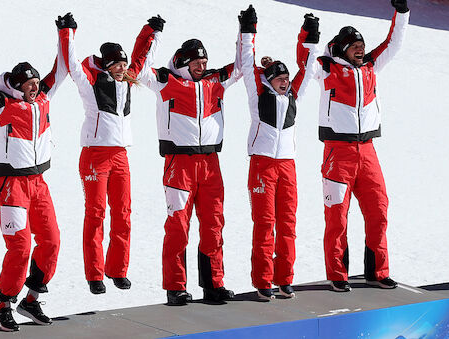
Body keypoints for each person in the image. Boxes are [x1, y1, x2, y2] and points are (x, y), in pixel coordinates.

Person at [303, 0, 409, 292]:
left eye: (361, 45)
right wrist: (308, 36)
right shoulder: (326, 69)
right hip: (338, 152)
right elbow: (305, 63)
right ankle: (338, 274)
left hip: (368, 151)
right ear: (341, 49)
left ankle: (378, 271)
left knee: (379, 209)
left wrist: (401, 13)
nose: (360, 50)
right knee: (336, 216)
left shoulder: (372, 65)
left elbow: (393, 43)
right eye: (354, 47)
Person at [0, 27, 68, 330]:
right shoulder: (2, 103)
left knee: (51, 241)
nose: (35, 88)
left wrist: (66, 33)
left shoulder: (43, 99)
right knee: (20, 247)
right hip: (10, 185)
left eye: (37, 83)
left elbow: (60, 70)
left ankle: (32, 299)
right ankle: (4, 304)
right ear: (17, 85)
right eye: (30, 84)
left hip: (38, 183)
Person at [57, 13, 164, 294]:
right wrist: (68, 31)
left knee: (123, 213)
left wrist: (152, 31)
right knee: (96, 213)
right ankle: (94, 274)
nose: (121, 68)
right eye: (116, 64)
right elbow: (71, 64)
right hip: (95, 156)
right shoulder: (90, 82)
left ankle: (117, 269)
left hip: (120, 156)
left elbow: (143, 58)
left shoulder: (128, 80)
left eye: (123, 63)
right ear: (106, 65)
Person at [137, 20, 241, 306]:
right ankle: (175, 287)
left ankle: (213, 284)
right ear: (184, 61)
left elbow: (243, 66)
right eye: (197, 61)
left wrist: (246, 30)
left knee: (214, 224)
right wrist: (151, 33)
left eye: (204, 60)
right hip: (178, 164)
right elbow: (140, 69)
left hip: (210, 163)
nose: (202, 64)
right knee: (178, 226)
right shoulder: (164, 81)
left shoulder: (214, 81)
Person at [237, 6, 320, 301]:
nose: (284, 81)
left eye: (286, 77)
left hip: (287, 167)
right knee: (265, 223)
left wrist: (310, 34)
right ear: (268, 80)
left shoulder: (293, 94)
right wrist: (249, 29)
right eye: (278, 78)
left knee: (288, 224)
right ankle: (263, 281)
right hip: (262, 166)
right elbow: (247, 64)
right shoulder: (257, 95)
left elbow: (308, 68)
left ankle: (284, 279)